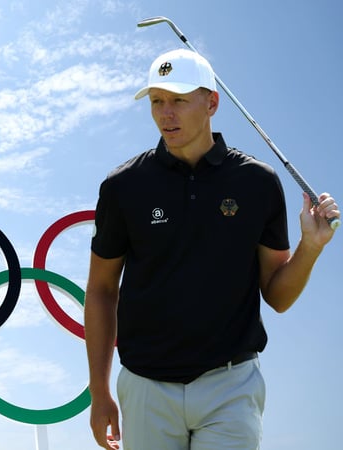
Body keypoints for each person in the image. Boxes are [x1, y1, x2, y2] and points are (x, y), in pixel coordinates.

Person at [84, 48, 339, 450]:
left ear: (212, 103)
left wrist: (311, 247)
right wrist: (99, 392)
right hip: (146, 386)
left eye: (179, 100)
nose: (166, 114)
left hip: (230, 386)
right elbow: (100, 290)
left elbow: (277, 295)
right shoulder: (122, 186)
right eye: (156, 102)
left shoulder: (257, 182)